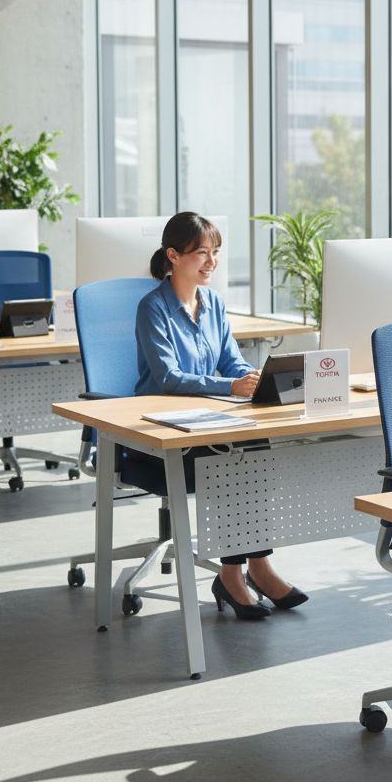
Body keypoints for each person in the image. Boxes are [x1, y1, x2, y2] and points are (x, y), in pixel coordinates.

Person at [134, 211, 308, 620]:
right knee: (235, 456)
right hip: (158, 431)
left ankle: (252, 567)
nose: (211, 262)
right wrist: (230, 387)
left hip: (205, 420)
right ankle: (238, 574)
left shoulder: (212, 302)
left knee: (255, 446)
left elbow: (229, 361)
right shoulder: (152, 307)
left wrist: (252, 377)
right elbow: (168, 378)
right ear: (173, 256)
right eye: (201, 254)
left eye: (215, 253)